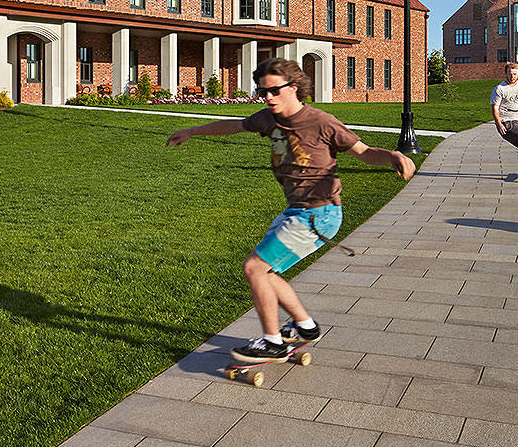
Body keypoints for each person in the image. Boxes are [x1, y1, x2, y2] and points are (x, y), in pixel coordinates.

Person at [165, 57, 416, 364]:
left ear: (294, 87)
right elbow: (234, 125)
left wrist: (393, 156)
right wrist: (193, 131)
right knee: (267, 273)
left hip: (319, 214)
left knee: (255, 268)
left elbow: (363, 152)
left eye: (274, 90)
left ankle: (272, 342)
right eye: (262, 92)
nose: (268, 97)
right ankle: (306, 327)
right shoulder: (268, 119)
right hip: (297, 211)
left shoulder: (321, 122)